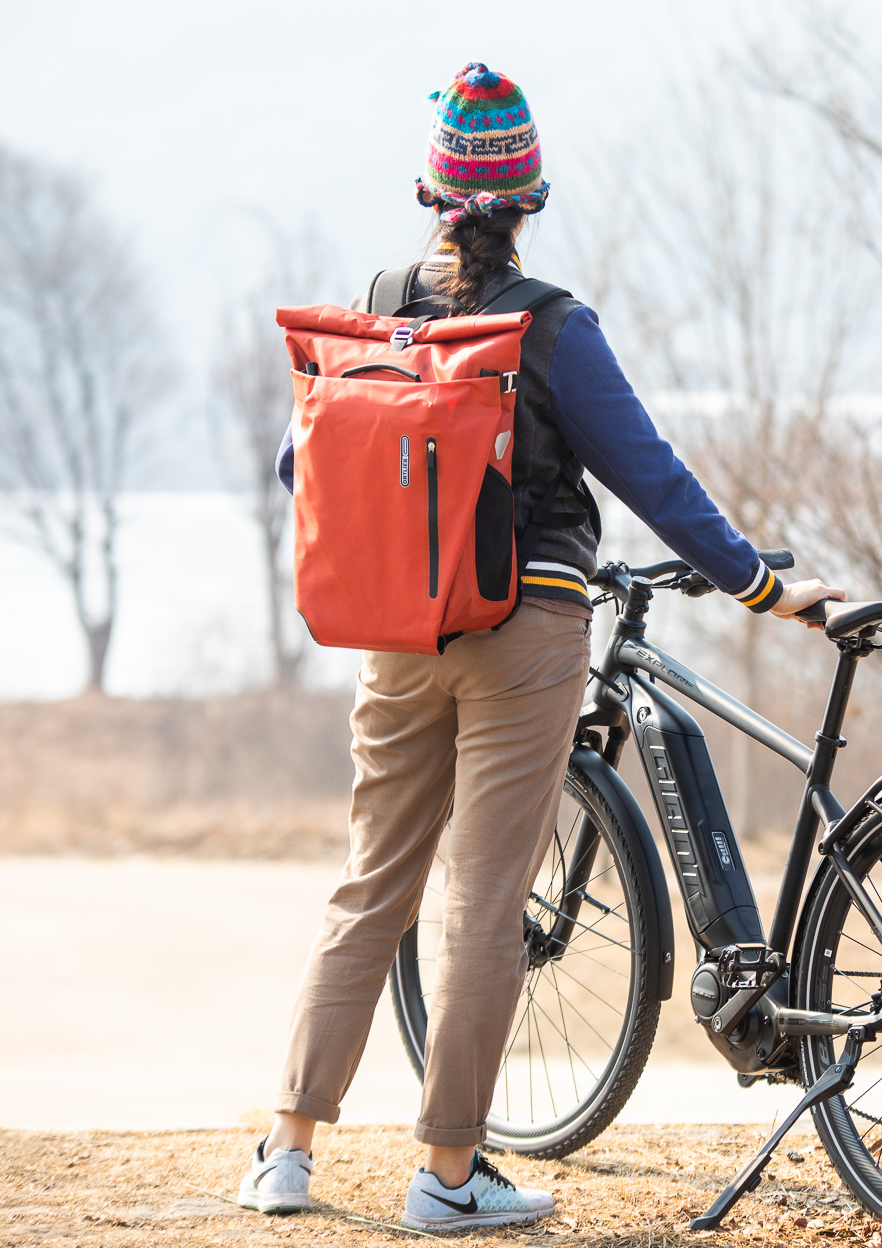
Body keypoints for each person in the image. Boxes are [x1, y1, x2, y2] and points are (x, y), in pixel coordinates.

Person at [239, 62, 841, 1233]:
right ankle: (447, 1176)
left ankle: (286, 1152)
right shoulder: (550, 327)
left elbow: (296, 461)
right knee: (483, 901)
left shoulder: (379, 302)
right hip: (526, 631)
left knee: (370, 887)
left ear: (431, 193)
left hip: (397, 634)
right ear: (529, 199)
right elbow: (653, 478)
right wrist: (763, 587)